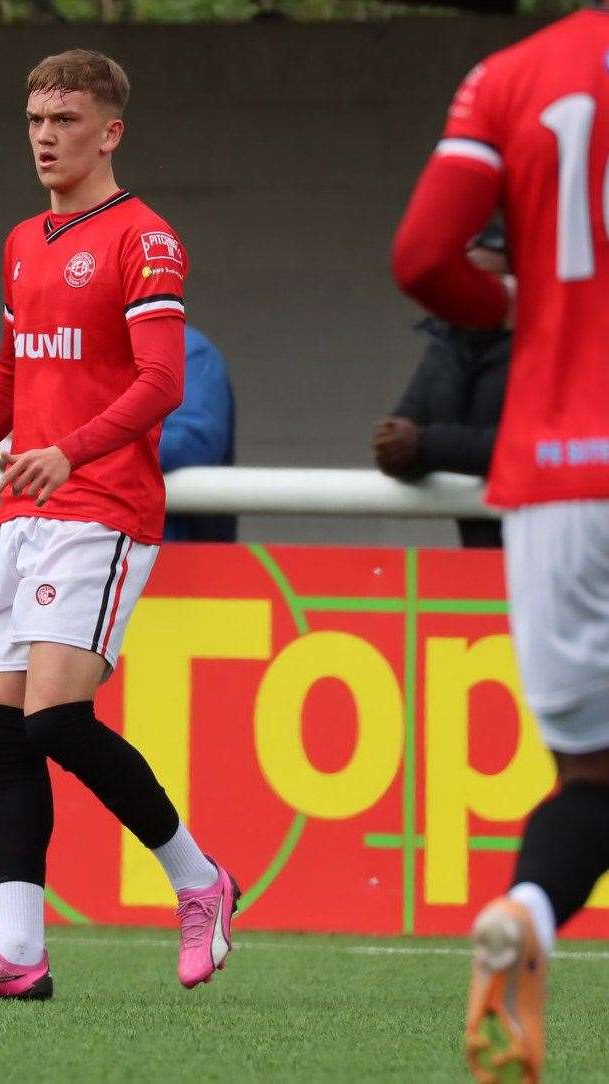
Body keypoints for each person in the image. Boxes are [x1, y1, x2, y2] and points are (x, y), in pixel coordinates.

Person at [0, 49, 238, 1001]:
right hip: (19, 512)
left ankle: (199, 880)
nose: (45, 138)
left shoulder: (143, 240)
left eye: (66, 122)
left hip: (101, 508)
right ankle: (17, 951)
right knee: (2, 729)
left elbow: (161, 381)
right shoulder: (21, 241)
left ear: (110, 131)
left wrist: (71, 451)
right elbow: (11, 379)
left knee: (53, 716)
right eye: (36, 121)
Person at [393, 9, 609, 1080]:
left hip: (557, 477)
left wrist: (526, 307)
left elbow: (423, 256)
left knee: (592, 781)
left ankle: (527, 912)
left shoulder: (509, 76)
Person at [376, 223, 510, 549]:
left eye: (491, 282)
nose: (476, 294)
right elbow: (405, 428)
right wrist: (393, 448)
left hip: (556, 548)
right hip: (481, 554)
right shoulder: (448, 342)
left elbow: (527, 446)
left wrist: (423, 446)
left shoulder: (550, 348)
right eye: (468, 281)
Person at [159, 325, 236, 542]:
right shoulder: (70, 351)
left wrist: (89, 447)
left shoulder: (188, 350)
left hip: (174, 554)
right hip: (77, 548)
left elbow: (195, 442)